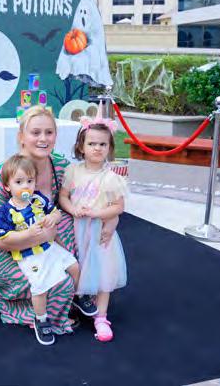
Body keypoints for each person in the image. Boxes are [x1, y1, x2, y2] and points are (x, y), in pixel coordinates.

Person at [0, 105, 97, 335]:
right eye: (35, 132)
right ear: (21, 136)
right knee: (57, 282)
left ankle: (75, 295)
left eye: (49, 132)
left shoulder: (60, 166)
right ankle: (33, 310)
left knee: (76, 231)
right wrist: (36, 238)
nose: (43, 138)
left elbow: (79, 201)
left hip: (48, 239)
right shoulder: (5, 172)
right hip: (7, 245)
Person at [0, 154, 81, 346]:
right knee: (40, 288)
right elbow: (5, 238)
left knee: (74, 266)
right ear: (8, 186)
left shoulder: (38, 199)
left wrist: (53, 218)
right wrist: (27, 234)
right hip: (29, 255)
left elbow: (56, 212)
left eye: (29, 181)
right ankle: (41, 319)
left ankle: (76, 297)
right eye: (19, 182)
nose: (25, 186)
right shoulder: (5, 211)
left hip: (49, 247)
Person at [58, 119, 127, 342]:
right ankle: (77, 302)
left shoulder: (111, 178)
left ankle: (102, 317)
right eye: (92, 144)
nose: (97, 148)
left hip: (99, 231)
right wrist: (73, 209)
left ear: (110, 148)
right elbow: (63, 196)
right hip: (76, 229)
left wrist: (98, 213)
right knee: (79, 266)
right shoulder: (73, 171)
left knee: (103, 271)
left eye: (103, 144)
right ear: (81, 146)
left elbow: (118, 207)